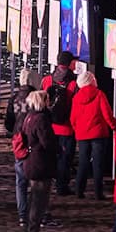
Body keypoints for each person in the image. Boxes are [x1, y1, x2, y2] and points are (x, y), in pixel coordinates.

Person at [70, 70, 116, 200]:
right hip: (98, 134)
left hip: (82, 134)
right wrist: (115, 126)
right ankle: (98, 193)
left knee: (83, 162)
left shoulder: (76, 98)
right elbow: (107, 114)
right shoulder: (99, 94)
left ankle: (79, 191)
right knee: (98, 164)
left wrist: (76, 130)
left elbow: (73, 118)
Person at [21, 90, 58, 232]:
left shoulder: (29, 117)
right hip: (40, 162)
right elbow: (47, 142)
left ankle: (30, 226)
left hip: (31, 161)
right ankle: (33, 229)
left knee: (33, 196)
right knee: (39, 198)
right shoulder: (42, 119)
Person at [42, 51, 80, 196]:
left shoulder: (47, 81)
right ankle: (62, 186)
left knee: (50, 156)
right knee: (65, 158)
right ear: (70, 64)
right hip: (67, 127)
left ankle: (48, 183)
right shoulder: (73, 83)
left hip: (50, 126)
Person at [5, 69, 36, 226]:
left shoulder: (14, 98)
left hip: (18, 140)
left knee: (20, 180)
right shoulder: (35, 98)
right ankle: (35, 213)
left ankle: (22, 213)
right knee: (35, 180)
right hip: (32, 140)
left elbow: (8, 122)